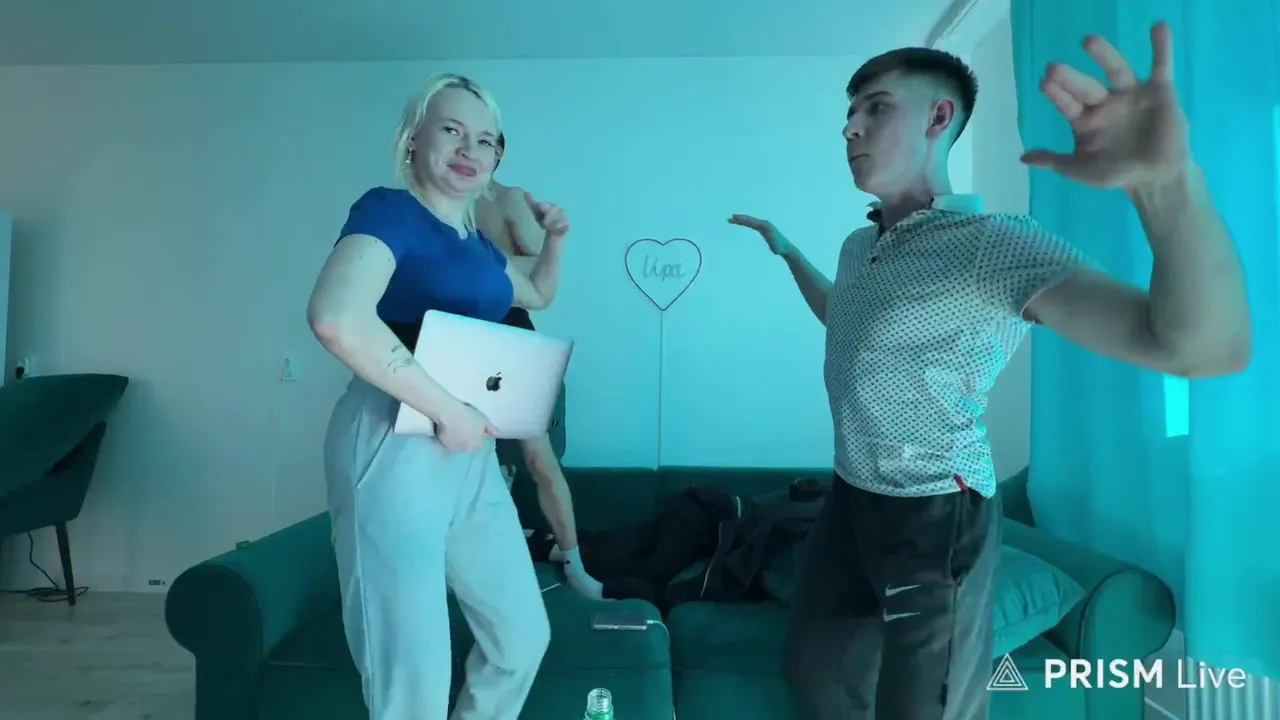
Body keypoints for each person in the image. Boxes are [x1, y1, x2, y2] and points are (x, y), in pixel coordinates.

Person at [730, 24, 1250, 720]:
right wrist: (790, 253)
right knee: (819, 675)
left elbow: (1200, 349)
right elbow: (845, 323)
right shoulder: (861, 245)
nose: (850, 127)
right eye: (849, 114)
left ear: (939, 117)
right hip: (850, 498)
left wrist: (1166, 186)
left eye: (875, 107)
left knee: (925, 707)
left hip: (934, 516)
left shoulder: (994, 248)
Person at [305, 73, 571, 720]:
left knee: (521, 640)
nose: (469, 148)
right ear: (413, 139)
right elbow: (336, 317)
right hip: (391, 438)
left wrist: (556, 240)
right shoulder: (388, 211)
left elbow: (537, 295)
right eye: (451, 130)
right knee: (411, 680)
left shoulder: (475, 244)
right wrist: (447, 410)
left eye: (485, 140)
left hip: (467, 449)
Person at [474, 133, 604, 600]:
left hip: (511, 334)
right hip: (459, 337)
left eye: (484, 143)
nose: (469, 151)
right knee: (470, 462)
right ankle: (485, 564)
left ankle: (574, 563)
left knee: (538, 458)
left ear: (497, 153)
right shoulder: (439, 208)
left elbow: (539, 275)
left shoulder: (508, 199)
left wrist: (474, 261)